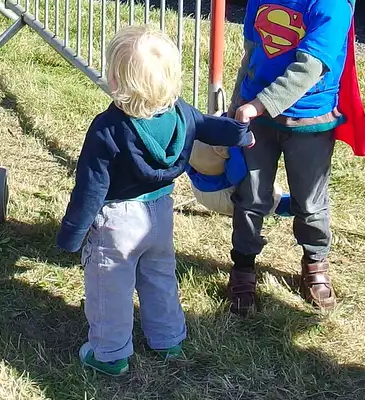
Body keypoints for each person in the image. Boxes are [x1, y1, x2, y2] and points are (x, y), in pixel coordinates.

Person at [56, 27, 250, 375]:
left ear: (115, 80)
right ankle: (168, 338)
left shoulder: (107, 129)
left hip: (117, 222)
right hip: (160, 213)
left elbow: (91, 188)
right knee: (159, 275)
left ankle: (109, 353)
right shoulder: (181, 114)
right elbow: (209, 126)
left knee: (110, 286)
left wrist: (71, 234)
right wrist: (239, 133)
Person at [227, 0, 365, 316]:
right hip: (257, 119)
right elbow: (252, 54)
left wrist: (260, 104)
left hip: (309, 123)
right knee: (250, 195)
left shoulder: (330, 1)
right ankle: (243, 268)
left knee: (310, 201)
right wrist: (239, 105)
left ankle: (315, 262)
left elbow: (310, 67)